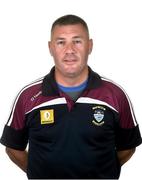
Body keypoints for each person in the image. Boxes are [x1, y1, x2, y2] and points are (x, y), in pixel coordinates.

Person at [0, 14, 142, 179]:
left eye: (77, 41)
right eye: (61, 42)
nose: (69, 50)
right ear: (50, 47)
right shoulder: (28, 96)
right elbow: (13, 147)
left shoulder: (115, 94)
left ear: (90, 45)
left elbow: (128, 146)